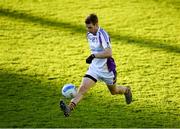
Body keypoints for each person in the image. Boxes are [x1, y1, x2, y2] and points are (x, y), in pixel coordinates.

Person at [60, 14, 132, 117]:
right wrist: (94, 58)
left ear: (96, 24)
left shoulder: (102, 34)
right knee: (83, 88)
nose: (88, 30)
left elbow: (109, 53)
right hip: (94, 69)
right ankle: (69, 108)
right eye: (87, 27)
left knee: (114, 91)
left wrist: (94, 55)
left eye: (90, 27)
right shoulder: (89, 35)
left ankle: (126, 90)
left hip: (107, 70)